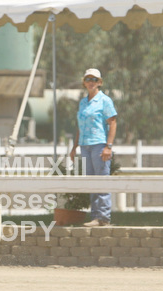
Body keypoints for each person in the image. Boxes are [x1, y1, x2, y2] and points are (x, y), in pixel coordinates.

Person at [70, 68, 118, 227]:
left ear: (100, 82)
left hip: (99, 144)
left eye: (94, 79)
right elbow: (80, 126)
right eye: (88, 79)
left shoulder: (105, 100)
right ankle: (95, 217)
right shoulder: (83, 102)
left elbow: (112, 123)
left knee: (101, 180)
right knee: (91, 181)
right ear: (84, 82)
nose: (91, 82)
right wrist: (75, 146)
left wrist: (108, 146)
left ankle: (103, 217)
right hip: (85, 146)